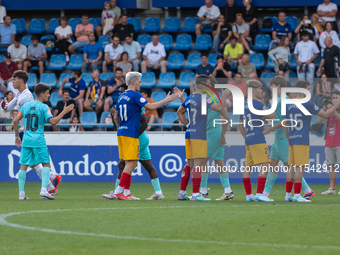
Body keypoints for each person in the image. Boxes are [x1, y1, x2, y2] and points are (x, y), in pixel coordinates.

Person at [111, 72, 178, 200]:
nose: (141, 84)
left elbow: (116, 116)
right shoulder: (135, 95)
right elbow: (151, 106)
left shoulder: (121, 97)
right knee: (130, 164)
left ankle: (124, 192)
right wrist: (166, 100)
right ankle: (119, 191)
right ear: (133, 82)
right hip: (131, 134)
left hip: (121, 132)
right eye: (140, 82)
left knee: (129, 163)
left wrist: (121, 128)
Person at [103, 84, 166, 200]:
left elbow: (145, 123)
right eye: (120, 92)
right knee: (147, 166)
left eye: (123, 91)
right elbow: (120, 126)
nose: (121, 94)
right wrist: (113, 117)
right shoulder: (124, 105)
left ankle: (119, 191)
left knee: (124, 163)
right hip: (137, 138)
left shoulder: (136, 104)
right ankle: (158, 192)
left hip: (139, 139)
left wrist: (134, 137)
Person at [13, 83, 74, 200]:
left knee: (23, 166)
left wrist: (17, 136)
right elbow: (53, 122)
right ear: (41, 94)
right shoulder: (44, 107)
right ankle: (44, 190)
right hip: (38, 140)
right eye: (47, 93)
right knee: (46, 164)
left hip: (26, 140)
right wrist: (64, 112)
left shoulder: (25, 106)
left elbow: (15, 120)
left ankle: (21, 194)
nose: (49, 95)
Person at [5, 71, 61, 197]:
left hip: (28, 131)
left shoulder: (28, 97)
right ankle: (51, 181)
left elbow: (26, 114)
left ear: (21, 81)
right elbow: (8, 107)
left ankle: (50, 183)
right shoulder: (19, 94)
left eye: (14, 79)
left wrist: (18, 134)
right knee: (32, 162)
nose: (12, 82)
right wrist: (4, 104)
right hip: (26, 131)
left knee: (29, 163)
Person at [282, 80, 340, 202]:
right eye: (308, 89)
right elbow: (325, 115)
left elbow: (284, 123)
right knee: (300, 168)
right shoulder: (306, 103)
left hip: (292, 139)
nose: (309, 91)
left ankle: (288, 194)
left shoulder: (288, 104)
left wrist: (288, 139)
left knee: (291, 167)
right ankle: (297, 195)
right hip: (302, 139)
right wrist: (336, 105)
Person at [177, 75, 229, 201]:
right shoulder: (203, 98)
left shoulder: (190, 97)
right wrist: (224, 95)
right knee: (199, 164)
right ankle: (196, 194)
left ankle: (182, 192)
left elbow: (179, 112)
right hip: (199, 134)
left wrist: (188, 124)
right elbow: (220, 108)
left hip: (189, 133)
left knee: (189, 164)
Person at [262, 77, 315, 200]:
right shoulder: (278, 100)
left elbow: (285, 121)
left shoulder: (285, 100)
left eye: (272, 85)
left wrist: (271, 128)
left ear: (279, 86)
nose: (270, 88)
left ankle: (306, 190)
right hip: (278, 137)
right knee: (273, 166)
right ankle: (265, 193)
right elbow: (277, 117)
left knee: (290, 167)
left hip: (283, 138)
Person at [237, 79, 276, 202]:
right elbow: (272, 116)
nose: (261, 91)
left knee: (247, 167)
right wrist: (270, 102)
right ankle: (259, 193)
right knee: (266, 164)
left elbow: (239, 124)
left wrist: (246, 137)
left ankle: (249, 195)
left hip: (248, 138)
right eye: (259, 89)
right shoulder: (258, 104)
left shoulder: (243, 104)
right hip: (258, 138)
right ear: (253, 90)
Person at [318, 91, 340, 194]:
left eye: (337, 97)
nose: (334, 99)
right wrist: (324, 107)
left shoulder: (334, 110)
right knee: (331, 166)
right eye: (333, 98)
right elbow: (319, 120)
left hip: (339, 142)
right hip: (329, 142)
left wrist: (333, 108)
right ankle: (332, 188)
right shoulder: (328, 110)